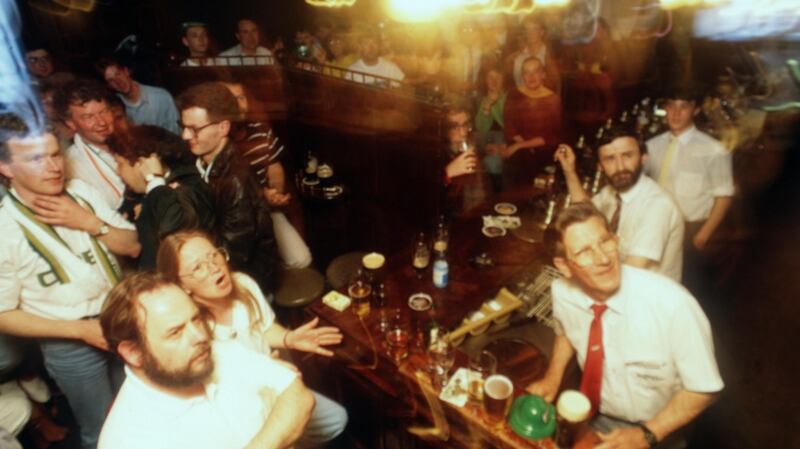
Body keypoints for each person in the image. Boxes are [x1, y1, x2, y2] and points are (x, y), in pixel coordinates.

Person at [526, 203, 723, 449]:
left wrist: (647, 434)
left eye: (605, 241)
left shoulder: (674, 306)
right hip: (594, 415)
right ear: (564, 266)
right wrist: (552, 377)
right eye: (584, 252)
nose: (603, 258)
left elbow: (704, 390)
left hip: (660, 425)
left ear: (616, 240)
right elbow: (566, 330)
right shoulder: (562, 291)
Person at [0, 113, 140, 449]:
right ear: (6, 168)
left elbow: (133, 246)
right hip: (71, 343)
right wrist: (80, 331)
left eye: (54, 154)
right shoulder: (4, 229)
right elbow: (3, 314)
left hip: (123, 320)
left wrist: (92, 224)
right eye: (36, 158)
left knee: (141, 410)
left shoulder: (81, 192)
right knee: (102, 431)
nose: (53, 167)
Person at [157, 230, 348, 447]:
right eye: (197, 267)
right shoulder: (195, 332)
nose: (213, 267)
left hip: (280, 387)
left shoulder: (243, 284)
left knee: (337, 419)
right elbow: (221, 397)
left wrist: (288, 338)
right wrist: (265, 370)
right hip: (247, 413)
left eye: (213, 255)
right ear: (183, 286)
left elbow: (264, 328)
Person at [98, 272, 315, 449]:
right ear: (134, 352)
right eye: (175, 332)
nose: (201, 336)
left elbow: (298, 395)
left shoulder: (212, 351)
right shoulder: (127, 440)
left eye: (196, 319)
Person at [176, 82, 280, 293]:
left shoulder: (235, 180)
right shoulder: (200, 156)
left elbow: (232, 253)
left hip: (247, 283)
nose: (185, 136)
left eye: (194, 129)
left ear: (223, 127)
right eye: (184, 126)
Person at [555, 126, 684, 281]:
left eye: (627, 156)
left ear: (643, 157)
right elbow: (585, 212)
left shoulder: (658, 206)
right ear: (600, 166)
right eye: (610, 159)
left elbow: (631, 272)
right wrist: (569, 171)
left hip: (647, 295)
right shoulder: (611, 192)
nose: (620, 167)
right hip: (618, 280)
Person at [644, 87, 734, 288]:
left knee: (687, 289)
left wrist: (703, 235)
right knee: (656, 283)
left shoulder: (713, 150)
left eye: (684, 107)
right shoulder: (652, 145)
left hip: (691, 231)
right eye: (671, 106)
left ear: (696, 110)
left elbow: (724, 196)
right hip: (657, 225)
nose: (676, 113)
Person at [223, 81, 312, 269]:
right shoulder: (220, 142)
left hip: (266, 209)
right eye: (231, 99)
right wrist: (261, 196)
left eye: (241, 97)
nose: (239, 104)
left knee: (302, 259)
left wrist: (275, 193)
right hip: (237, 219)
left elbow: (274, 166)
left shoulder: (260, 129)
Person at [108, 124, 215, 269]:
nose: (118, 172)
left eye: (120, 164)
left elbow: (174, 230)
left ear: (142, 163)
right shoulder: (138, 195)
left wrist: (154, 181)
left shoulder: (189, 186)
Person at [54, 79, 126, 211]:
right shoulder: (70, 167)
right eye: (89, 117)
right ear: (70, 123)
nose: (101, 122)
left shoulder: (135, 140)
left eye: (104, 111)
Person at [502, 57, 562, 183]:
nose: (531, 76)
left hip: (542, 149)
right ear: (522, 76)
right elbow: (510, 127)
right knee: (518, 165)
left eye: (535, 71)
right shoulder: (514, 94)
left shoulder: (553, 100)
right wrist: (524, 147)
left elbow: (552, 136)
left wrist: (521, 145)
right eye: (526, 72)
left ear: (543, 74)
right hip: (519, 150)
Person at [96, 58, 181, 135]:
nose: (118, 81)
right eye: (111, 80)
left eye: (118, 74)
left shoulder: (161, 97)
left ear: (126, 71)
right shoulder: (115, 107)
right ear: (108, 86)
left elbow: (176, 132)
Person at [442, 104, 487, 216]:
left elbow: (477, 191)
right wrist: (447, 172)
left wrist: (477, 214)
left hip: (461, 216)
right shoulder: (434, 151)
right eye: (455, 126)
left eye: (465, 125)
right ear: (444, 129)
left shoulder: (468, 147)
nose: (463, 133)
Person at [474, 65, 507, 192]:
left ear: (503, 80)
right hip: (484, 137)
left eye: (498, 77)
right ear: (485, 80)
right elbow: (481, 128)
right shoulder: (482, 98)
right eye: (490, 77)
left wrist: (496, 101)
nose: (494, 81)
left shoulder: (509, 97)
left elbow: (509, 125)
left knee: (492, 161)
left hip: (503, 136)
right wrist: (487, 104)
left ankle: (498, 197)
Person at [508, 15, 560, 94]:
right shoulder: (518, 55)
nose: (530, 33)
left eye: (535, 29)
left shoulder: (548, 55)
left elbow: (556, 84)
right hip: (521, 99)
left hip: (542, 100)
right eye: (527, 30)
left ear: (542, 32)